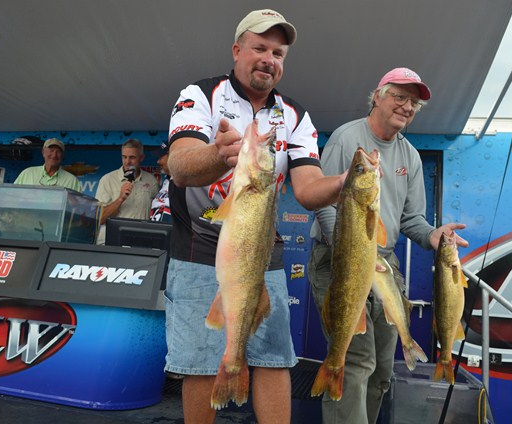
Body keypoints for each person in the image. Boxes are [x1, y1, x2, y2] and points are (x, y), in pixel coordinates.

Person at [164, 9, 347, 424]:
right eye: (260, 48)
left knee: (274, 358)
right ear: (237, 50)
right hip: (197, 247)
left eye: (278, 54)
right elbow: (180, 166)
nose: (269, 59)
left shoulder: (296, 115)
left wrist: (343, 184)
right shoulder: (200, 94)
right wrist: (218, 154)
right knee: (200, 362)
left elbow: (307, 189)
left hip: (263, 252)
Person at [308, 67, 469, 423]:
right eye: (400, 97)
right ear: (377, 97)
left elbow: (413, 220)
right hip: (339, 255)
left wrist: (434, 235)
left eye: (414, 104)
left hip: (382, 260)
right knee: (356, 359)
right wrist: (350, 251)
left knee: (382, 368)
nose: (407, 107)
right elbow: (323, 202)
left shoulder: (410, 155)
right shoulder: (346, 138)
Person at [95, 138, 159, 244]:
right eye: (124, 157)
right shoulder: (107, 180)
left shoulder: (151, 181)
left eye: (132, 157)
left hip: (141, 243)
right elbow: (99, 220)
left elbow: (156, 216)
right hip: (113, 243)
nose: (127, 162)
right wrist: (120, 199)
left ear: (142, 158)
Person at [14, 138, 81, 191]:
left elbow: (78, 203)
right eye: (51, 150)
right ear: (43, 152)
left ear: (62, 155)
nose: (54, 155)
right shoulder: (27, 173)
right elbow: (12, 196)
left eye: (58, 152)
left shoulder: (72, 180)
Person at [149, 145, 172, 223]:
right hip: (157, 228)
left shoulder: (187, 183)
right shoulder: (166, 182)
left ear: (171, 156)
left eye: (161, 157)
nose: (158, 161)